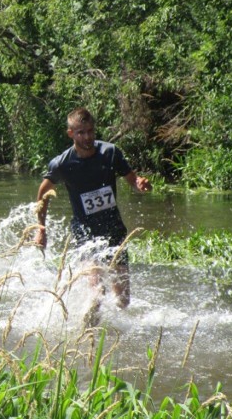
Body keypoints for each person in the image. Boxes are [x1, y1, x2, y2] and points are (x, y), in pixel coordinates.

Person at [34, 107, 151, 313]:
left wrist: (140, 184)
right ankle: (88, 338)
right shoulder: (62, 163)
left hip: (114, 229)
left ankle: (114, 336)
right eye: (81, 132)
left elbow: (132, 179)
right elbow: (43, 193)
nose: (87, 137)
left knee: (123, 301)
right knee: (97, 295)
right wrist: (40, 229)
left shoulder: (110, 153)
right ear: (71, 134)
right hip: (85, 232)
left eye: (90, 131)